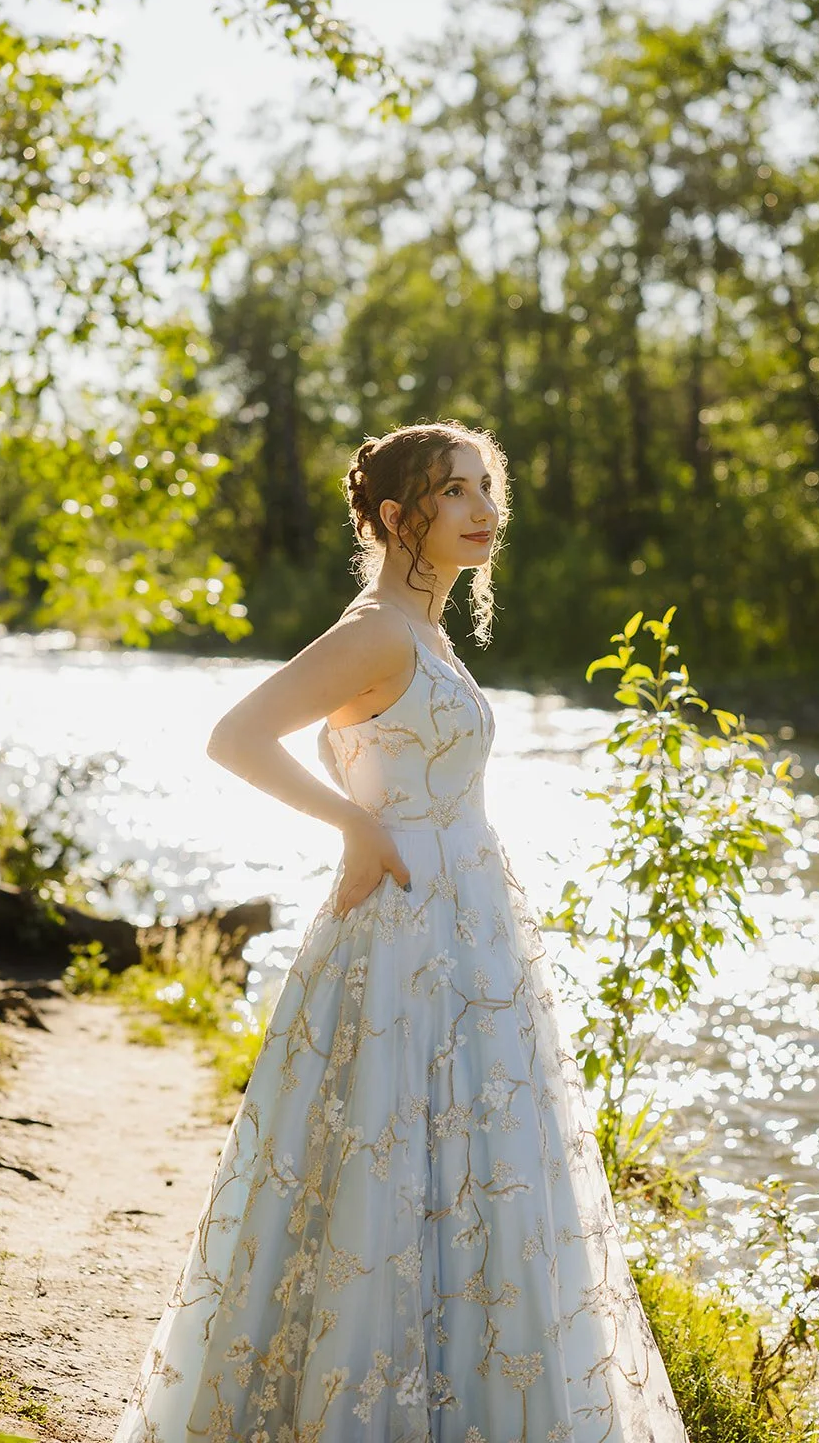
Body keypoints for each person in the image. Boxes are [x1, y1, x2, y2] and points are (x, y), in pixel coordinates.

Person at [116, 421, 687, 1441]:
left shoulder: (429, 635)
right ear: (393, 516)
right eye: (454, 492)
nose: (483, 511)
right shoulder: (379, 629)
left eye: (484, 488)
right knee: (381, 1161)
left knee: (470, 1165)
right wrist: (358, 825)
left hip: (467, 929)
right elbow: (235, 734)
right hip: (401, 932)